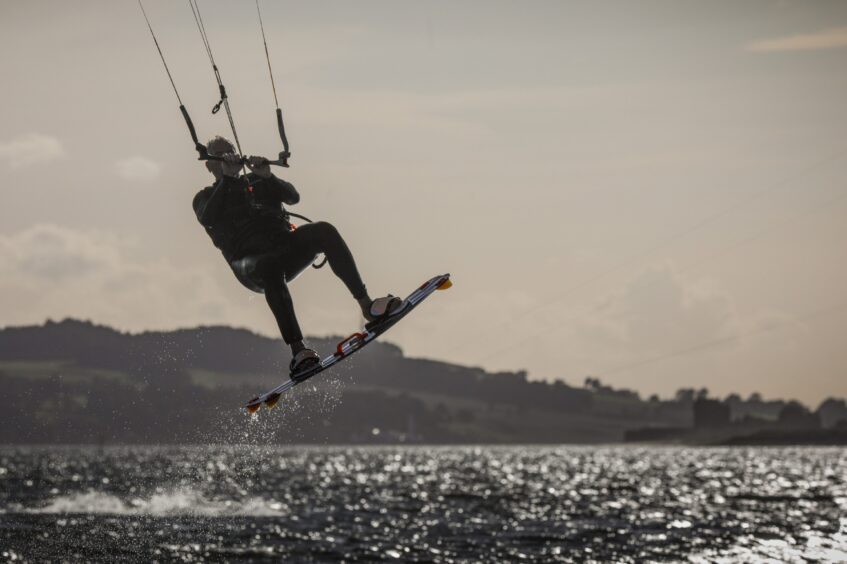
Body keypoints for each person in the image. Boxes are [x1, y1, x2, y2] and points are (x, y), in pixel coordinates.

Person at [192, 136, 403, 377]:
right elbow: (207, 217)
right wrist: (228, 179)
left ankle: (368, 306)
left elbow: (293, 197)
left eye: (229, 153)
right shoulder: (204, 198)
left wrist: (268, 176)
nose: (226, 159)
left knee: (324, 230)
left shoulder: (256, 181)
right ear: (208, 165)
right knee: (268, 264)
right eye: (219, 156)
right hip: (249, 265)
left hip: (283, 248)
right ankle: (298, 351)